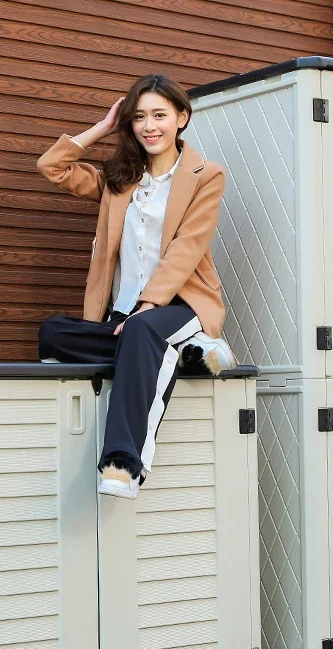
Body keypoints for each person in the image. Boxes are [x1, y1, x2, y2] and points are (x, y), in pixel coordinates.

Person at [37, 74, 235, 500]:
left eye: (160, 115)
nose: (150, 126)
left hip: (181, 304)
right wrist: (101, 128)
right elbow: (52, 168)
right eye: (139, 117)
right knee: (52, 332)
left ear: (182, 118)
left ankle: (123, 463)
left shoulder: (206, 175)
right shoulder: (119, 178)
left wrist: (149, 306)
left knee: (145, 332)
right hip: (124, 314)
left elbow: (187, 247)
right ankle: (194, 354)